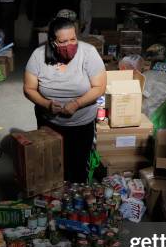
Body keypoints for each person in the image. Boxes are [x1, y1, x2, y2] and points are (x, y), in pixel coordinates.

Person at [23, 17, 106, 183]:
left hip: (81, 124)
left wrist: (76, 104)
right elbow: (29, 89)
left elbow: (100, 87)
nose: (70, 44)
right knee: (50, 167)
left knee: (78, 168)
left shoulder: (88, 53)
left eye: (73, 39)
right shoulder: (38, 56)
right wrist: (47, 104)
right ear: (53, 42)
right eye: (64, 41)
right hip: (49, 124)